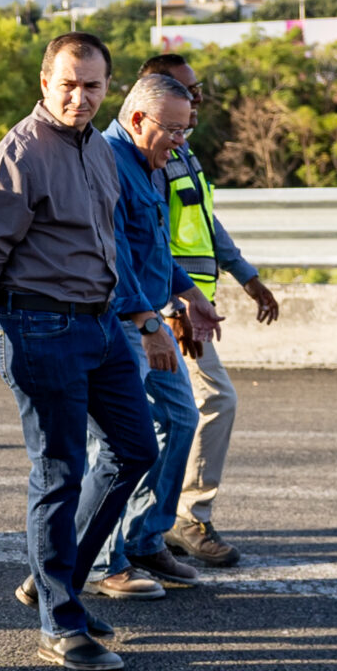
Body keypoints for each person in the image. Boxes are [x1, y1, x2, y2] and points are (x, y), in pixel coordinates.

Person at [0, 32, 156, 671]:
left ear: (108, 89)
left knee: (134, 450)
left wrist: (140, 313)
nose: (79, 96)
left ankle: (55, 580)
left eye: (93, 85)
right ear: (45, 82)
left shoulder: (98, 147)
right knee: (59, 470)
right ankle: (60, 621)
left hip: (101, 326)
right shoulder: (20, 152)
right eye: (68, 83)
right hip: (40, 327)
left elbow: (110, 241)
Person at [80, 74, 218, 596]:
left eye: (187, 129)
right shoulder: (109, 162)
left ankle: (145, 538)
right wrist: (150, 322)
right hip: (121, 323)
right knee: (116, 444)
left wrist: (189, 294)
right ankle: (102, 562)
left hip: (151, 317)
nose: (181, 141)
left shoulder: (153, 161)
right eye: (174, 130)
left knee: (180, 418)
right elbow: (113, 257)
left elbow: (153, 247)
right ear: (138, 119)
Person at [140, 53, 279, 566]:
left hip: (191, 303)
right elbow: (149, 234)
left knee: (171, 414)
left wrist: (246, 276)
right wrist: (173, 304)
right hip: (165, 308)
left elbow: (205, 222)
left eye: (198, 91)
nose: (197, 99)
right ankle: (183, 517)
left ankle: (153, 524)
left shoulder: (182, 151)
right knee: (209, 401)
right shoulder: (150, 152)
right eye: (187, 90)